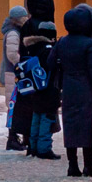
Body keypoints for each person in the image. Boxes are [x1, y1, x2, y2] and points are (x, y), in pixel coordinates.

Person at [55, 3, 92, 178]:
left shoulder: (62, 42)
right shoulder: (89, 44)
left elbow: (50, 62)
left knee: (71, 126)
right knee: (87, 128)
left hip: (69, 89)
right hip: (87, 90)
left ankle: (72, 166)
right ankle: (89, 166)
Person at [20, 17, 61, 159]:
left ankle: (33, 146)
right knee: (47, 117)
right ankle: (44, 148)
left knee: (36, 116)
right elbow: (53, 67)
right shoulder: (49, 49)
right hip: (49, 88)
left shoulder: (33, 47)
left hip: (35, 88)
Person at [0, 4, 29, 152]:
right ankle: (12, 138)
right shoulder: (13, 33)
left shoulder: (14, 31)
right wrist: (24, 64)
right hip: (13, 74)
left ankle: (15, 137)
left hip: (14, 73)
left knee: (17, 107)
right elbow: (12, 55)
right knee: (14, 107)